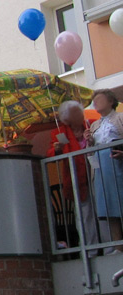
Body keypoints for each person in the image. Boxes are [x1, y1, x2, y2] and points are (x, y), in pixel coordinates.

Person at [47, 100, 104, 252]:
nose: (78, 115)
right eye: (73, 113)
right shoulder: (61, 132)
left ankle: (109, 247)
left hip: (96, 173)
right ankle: (90, 250)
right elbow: (52, 154)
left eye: (78, 111)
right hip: (76, 178)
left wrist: (91, 139)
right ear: (66, 118)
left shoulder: (91, 124)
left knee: (102, 211)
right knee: (84, 215)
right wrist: (57, 149)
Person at [85, 89, 123, 250]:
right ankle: (118, 247)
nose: (96, 104)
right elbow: (90, 150)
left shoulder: (120, 118)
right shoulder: (94, 125)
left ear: (110, 101)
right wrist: (90, 141)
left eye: (99, 100)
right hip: (101, 168)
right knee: (109, 209)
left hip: (118, 165)